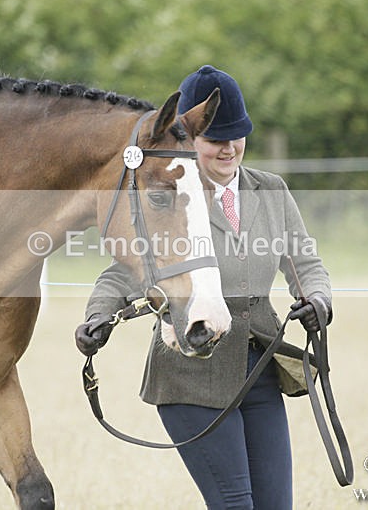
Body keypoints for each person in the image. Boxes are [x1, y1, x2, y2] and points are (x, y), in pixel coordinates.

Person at [75, 65, 332, 509]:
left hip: (260, 369)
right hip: (192, 373)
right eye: (215, 139)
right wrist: (98, 313)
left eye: (237, 135)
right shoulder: (169, 197)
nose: (229, 148)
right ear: (189, 139)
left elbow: (304, 262)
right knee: (235, 504)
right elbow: (123, 270)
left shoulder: (271, 190)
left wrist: (318, 301)